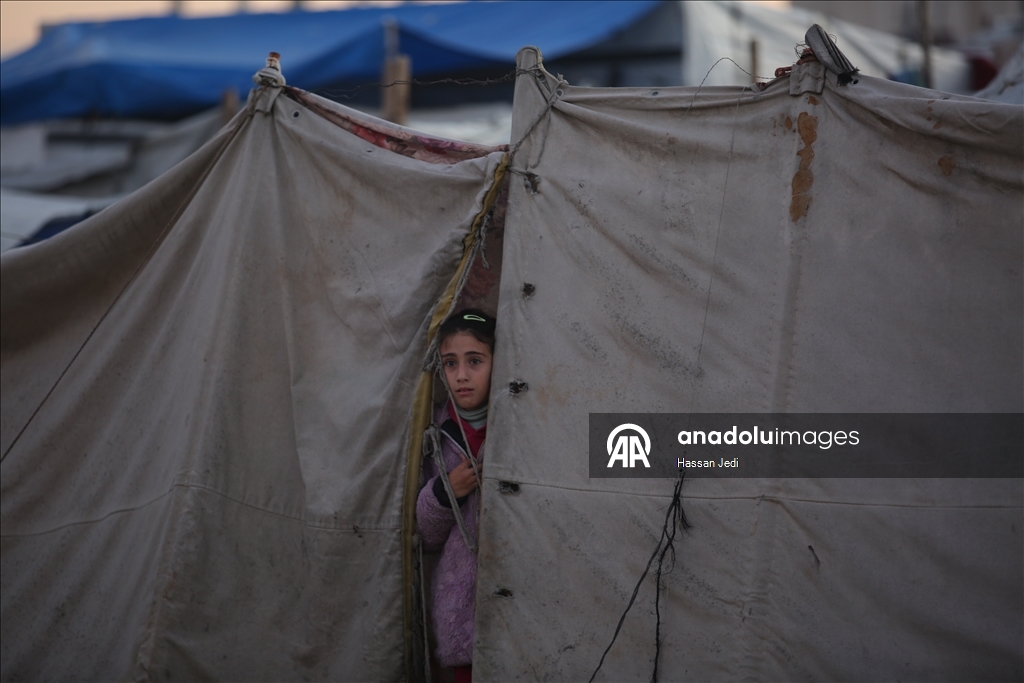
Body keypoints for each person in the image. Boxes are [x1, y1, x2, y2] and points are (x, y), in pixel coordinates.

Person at [416, 309, 495, 683]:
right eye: (450, 363)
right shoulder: (434, 433)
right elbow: (426, 536)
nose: (461, 375)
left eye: (475, 361)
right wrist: (447, 492)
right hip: (461, 610)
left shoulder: (523, 425)